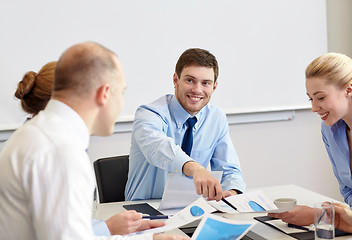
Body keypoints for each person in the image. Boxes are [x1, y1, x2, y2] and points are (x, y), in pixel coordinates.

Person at [0, 42, 188, 240]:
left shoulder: (37, 133)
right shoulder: (61, 151)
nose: (122, 104)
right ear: (104, 93)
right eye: (122, 93)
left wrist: (149, 238)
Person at [125, 48, 246, 201]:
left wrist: (232, 192)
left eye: (205, 83)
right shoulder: (149, 113)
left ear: (214, 87)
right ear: (176, 80)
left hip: (190, 211)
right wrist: (195, 169)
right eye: (190, 80)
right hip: (145, 212)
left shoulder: (216, 118)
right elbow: (159, 148)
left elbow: (229, 169)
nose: (197, 90)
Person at [269, 52, 352, 227]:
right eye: (310, 99)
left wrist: (326, 217)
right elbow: (348, 192)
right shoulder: (330, 129)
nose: (314, 108)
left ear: (349, 89)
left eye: (321, 98)